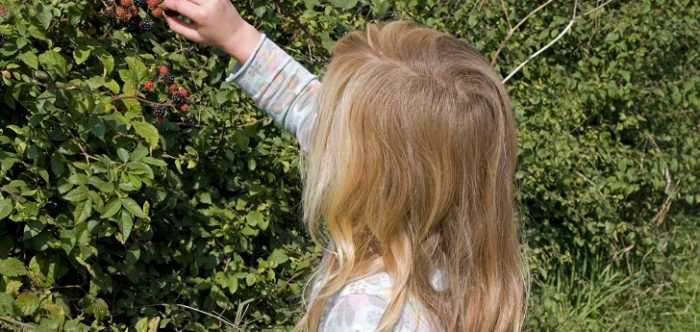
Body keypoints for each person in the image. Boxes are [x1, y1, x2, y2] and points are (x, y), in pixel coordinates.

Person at [160, 0, 527, 331]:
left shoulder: (367, 314)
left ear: (366, 171)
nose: (321, 132)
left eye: (333, 131)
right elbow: (306, 104)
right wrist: (237, 36)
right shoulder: (459, 256)